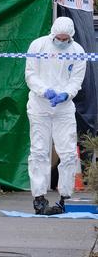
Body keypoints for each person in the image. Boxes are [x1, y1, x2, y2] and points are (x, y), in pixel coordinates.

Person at [25, 16, 86, 215]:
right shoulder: (38, 46)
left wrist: (65, 94)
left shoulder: (78, 52)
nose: (61, 41)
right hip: (39, 106)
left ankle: (65, 198)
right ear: (52, 34)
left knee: (68, 153)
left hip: (64, 108)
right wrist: (45, 91)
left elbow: (76, 80)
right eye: (58, 38)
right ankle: (39, 197)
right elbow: (30, 75)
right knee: (39, 151)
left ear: (71, 37)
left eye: (65, 38)